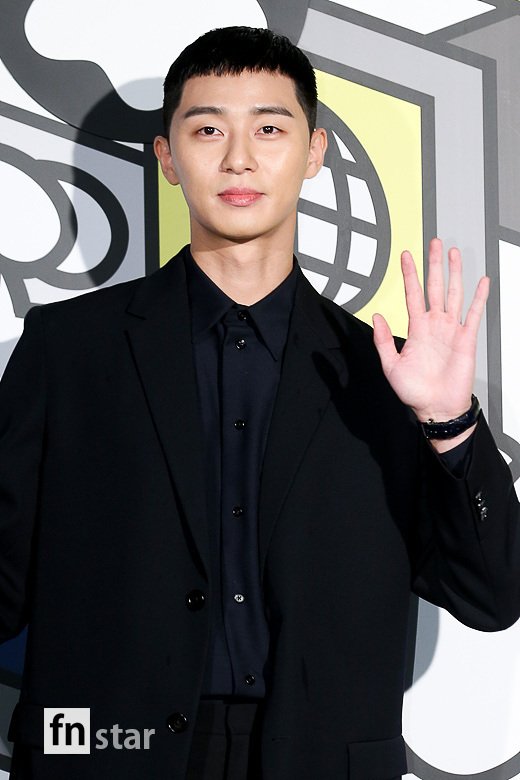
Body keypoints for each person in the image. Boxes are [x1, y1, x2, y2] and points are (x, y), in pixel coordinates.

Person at [1, 25, 519, 780]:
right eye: (208, 128)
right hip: (109, 756)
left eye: (270, 128)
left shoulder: (387, 374)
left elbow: (492, 595)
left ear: (314, 154)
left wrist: (450, 425)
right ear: (168, 158)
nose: (239, 157)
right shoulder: (68, 348)